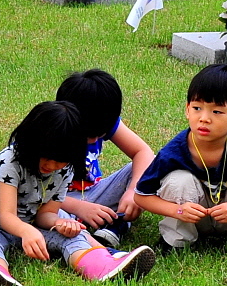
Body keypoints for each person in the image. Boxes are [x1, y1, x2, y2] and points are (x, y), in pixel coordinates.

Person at [0, 101, 156, 286]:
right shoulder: (9, 162)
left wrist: (59, 224)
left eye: (60, 161)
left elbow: (45, 214)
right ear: (30, 142)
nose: (51, 166)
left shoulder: (65, 169)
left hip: (34, 224)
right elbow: (6, 216)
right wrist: (26, 231)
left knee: (73, 237)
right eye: (47, 157)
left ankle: (102, 267)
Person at [134, 64, 227, 257]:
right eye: (197, 108)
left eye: (217, 111)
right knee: (178, 179)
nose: (204, 118)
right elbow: (141, 196)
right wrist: (178, 211)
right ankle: (177, 242)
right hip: (194, 218)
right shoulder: (173, 152)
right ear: (187, 110)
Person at [55, 68, 156, 248]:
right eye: (87, 135)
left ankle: (117, 224)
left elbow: (142, 152)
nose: (94, 140)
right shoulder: (51, 129)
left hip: (95, 193)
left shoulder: (102, 120)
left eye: (100, 134)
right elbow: (31, 191)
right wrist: (78, 207)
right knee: (45, 216)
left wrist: (134, 190)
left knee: (152, 166)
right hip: (55, 202)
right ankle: (90, 238)